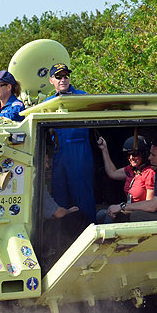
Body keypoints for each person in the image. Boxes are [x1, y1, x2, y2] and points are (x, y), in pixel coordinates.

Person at [44, 63, 96, 221]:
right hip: (59, 154)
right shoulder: (48, 102)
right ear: (51, 80)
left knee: (83, 196)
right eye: (59, 77)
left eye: (66, 76)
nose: (63, 80)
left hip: (79, 153)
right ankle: (61, 240)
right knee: (59, 196)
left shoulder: (82, 96)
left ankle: (90, 231)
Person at [95, 134, 155, 223]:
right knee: (100, 215)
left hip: (138, 214)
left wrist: (121, 208)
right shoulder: (131, 170)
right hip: (127, 209)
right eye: (128, 154)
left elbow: (148, 205)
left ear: (144, 154)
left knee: (110, 218)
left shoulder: (149, 173)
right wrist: (104, 149)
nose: (131, 158)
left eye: (135, 154)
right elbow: (112, 173)